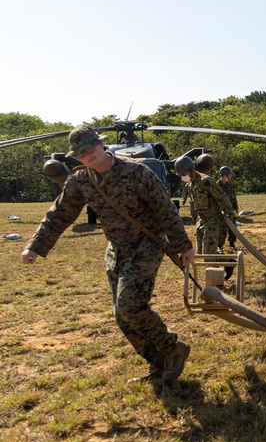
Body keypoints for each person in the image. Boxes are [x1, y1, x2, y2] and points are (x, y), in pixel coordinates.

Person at [21, 125, 195, 384]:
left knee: (130, 306)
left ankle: (173, 348)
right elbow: (59, 214)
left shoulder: (136, 173)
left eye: (90, 150)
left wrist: (183, 245)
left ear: (101, 145)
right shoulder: (80, 181)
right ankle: (157, 365)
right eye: (81, 154)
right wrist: (35, 245)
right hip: (116, 250)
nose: (87, 157)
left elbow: (165, 209)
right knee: (121, 316)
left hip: (146, 245)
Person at [179, 155, 234, 255]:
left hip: (213, 219)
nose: (182, 176)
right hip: (201, 220)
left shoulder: (205, 181)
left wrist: (229, 212)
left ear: (191, 169)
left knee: (208, 253)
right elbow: (193, 205)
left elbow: (221, 196)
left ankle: (222, 267)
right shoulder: (190, 184)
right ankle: (228, 263)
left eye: (183, 173)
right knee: (200, 253)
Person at [218, 165, 239, 251]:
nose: (230, 176)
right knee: (222, 230)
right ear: (224, 175)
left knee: (233, 228)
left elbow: (233, 197)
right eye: (229, 174)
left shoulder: (230, 185)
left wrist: (236, 207)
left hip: (230, 210)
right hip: (221, 211)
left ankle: (232, 244)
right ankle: (219, 246)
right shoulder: (217, 185)